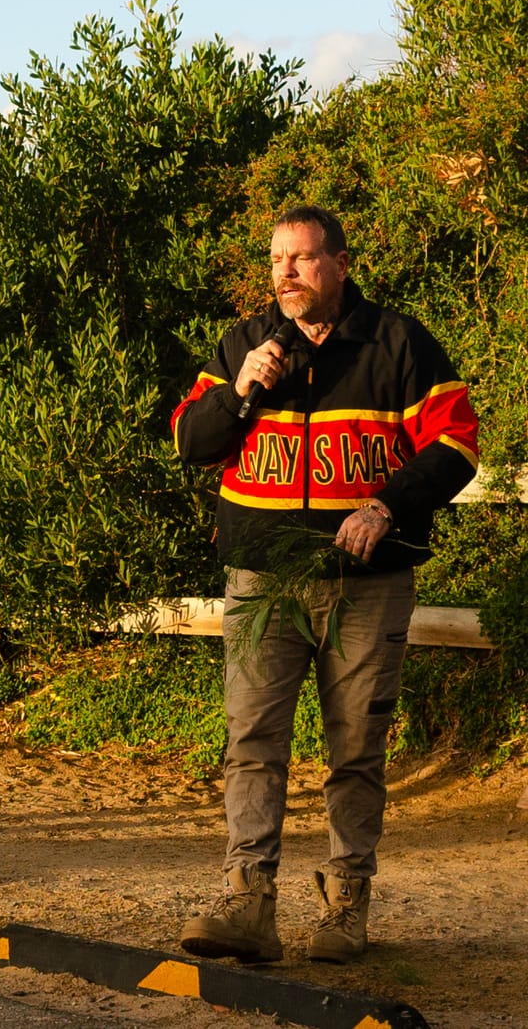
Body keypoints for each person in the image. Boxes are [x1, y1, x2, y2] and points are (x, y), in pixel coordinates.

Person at [169, 205, 478, 964]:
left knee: (357, 749)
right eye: (277, 259)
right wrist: (239, 390)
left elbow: (457, 442)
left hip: (367, 584)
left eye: (303, 258)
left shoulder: (398, 342)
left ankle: (345, 905)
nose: (287, 272)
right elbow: (190, 441)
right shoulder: (243, 344)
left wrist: (388, 504)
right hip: (263, 581)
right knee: (252, 740)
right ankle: (247, 901)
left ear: (339, 264)